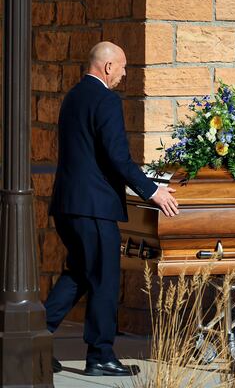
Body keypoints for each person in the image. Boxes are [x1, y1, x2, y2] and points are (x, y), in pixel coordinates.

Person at [46, 41, 180, 376]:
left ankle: (32, 343)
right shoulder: (105, 99)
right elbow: (117, 157)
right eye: (122, 67)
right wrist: (152, 191)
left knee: (79, 274)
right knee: (104, 279)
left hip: (68, 205)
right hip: (94, 208)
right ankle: (100, 356)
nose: (124, 74)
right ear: (107, 67)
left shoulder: (73, 97)